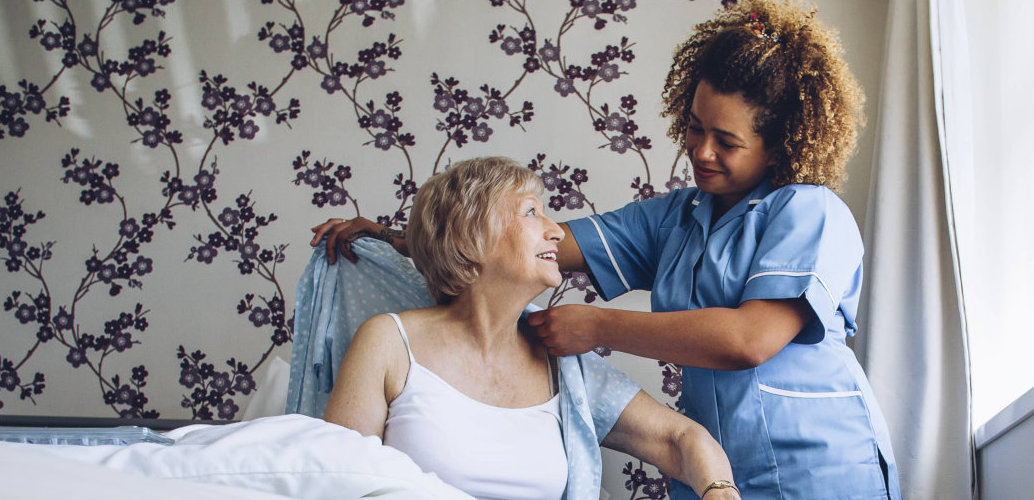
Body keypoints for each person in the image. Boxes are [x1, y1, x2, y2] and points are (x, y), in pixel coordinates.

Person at [312, 1, 899, 497]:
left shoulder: (809, 212)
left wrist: (596, 326)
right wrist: (400, 236)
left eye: (727, 141)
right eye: (695, 128)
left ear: (778, 147)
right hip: (726, 472)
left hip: (821, 468)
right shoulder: (676, 218)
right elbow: (520, 240)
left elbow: (749, 341)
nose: (701, 151)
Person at [322, 157, 741, 500]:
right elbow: (335, 482)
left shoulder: (564, 367)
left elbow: (679, 438)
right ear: (470, 238)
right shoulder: (388, 342)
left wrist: (720, 491)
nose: (557, 230)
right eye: (531, 212)